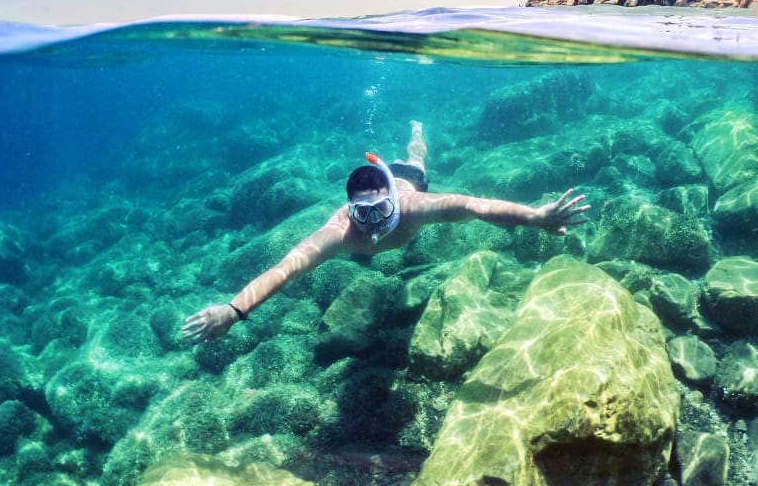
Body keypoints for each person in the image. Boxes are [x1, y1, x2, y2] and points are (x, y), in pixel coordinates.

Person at [182, 122, 591, 343]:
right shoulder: (340, 231)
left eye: (381, 209)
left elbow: (476, 206)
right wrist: (234, 311)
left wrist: (535, 216)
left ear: (394, 201)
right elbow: (286, 269)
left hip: (407, 178)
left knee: (416, 159)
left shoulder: (412, 207)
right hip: (385, 183)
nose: (375, 222)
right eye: (364, 212)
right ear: (349, 209)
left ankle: (416, 133)